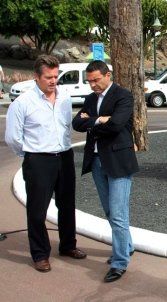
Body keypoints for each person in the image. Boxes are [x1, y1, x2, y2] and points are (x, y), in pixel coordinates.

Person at [5, 55, 86, 273]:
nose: (53, 81)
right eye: (48, 77)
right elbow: (13, 137)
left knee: (67, 206)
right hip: (38, 160)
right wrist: (31, 155)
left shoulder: (65, 98)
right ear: (36, 77)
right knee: (37, 211)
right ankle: (40, 254)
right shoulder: (22, 103)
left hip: (65, 157)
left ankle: (68, 245)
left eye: (55, 76)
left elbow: (67, 126)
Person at [72, 60, 139, 282]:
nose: (92, 85)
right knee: (110, 212)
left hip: (119, 161)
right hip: (98, 161)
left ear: (107, 75)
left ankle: (120, 262)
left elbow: (117, 124)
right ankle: (127, 246)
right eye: (89, 81)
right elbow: (76, 124)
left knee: (118, 214)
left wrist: (90, 122)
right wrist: (99, 119)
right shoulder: (91, 99)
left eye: (96, 80)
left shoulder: (123, 95)